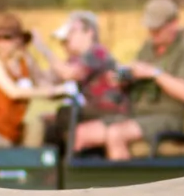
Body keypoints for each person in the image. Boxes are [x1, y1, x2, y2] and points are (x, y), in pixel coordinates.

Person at [98, 0, 184, 161]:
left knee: (115, 134)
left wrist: (154, 73)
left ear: (174, 24)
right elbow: (135, 75)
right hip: (138, 114)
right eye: (150, 28)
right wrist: (123, 77)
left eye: (157, 28)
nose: (152, 33)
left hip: (169, 117)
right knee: (81, 134)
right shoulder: (148, 48)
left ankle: (125, 186)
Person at [0, 13, 66, 149]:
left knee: (36, 126)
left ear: (19, 40)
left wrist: (43, 49)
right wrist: (52, 91)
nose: (1, 43)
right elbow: (13, 92)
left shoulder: (26, 62)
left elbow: (46, 83)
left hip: (8, 137)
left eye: (7, 38)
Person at [50, 10, 131, 153]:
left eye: (73, 31)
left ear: (89, 32)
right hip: (94, 108)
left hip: (110, 110)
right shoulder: (77, 58)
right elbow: (54, 83)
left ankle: (70, 165)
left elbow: (70, 73)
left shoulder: (97, 52)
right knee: (55, 120)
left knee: (65, 114)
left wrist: (45, 53)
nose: (69, 37)